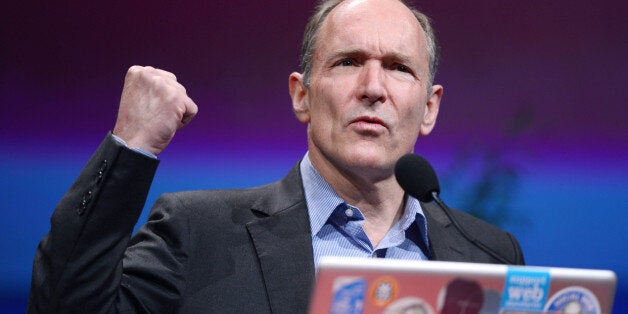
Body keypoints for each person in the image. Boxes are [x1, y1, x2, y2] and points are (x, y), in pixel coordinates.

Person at [28, 0, 524, 312]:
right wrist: (130, 146)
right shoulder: (198, 233)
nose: (373, 88)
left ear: (429, 107)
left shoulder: (490, 255)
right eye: (348, 62)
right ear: (301, 96)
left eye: (398, 68)